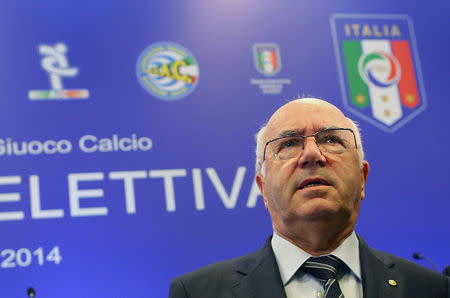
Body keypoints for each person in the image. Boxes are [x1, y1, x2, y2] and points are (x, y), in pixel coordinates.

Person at [169, 98, 450, 298]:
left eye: (332, 140)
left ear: (362, 178)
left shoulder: (431, 289)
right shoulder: (196, 292)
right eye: (289, 143)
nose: (313, 154)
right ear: (263, 188)